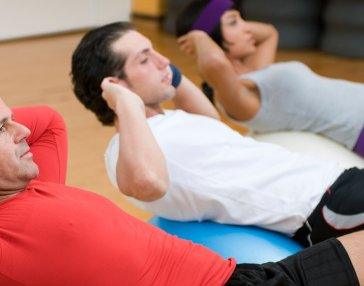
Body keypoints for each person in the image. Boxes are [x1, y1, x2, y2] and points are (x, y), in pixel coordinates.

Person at [0, 74, 364, 286]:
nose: (22, 131)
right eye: (3, 128)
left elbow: (48, 121)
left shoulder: (35, 185)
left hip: (238, 274)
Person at [70, 21, 364, 247]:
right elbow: (147, 183)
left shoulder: (169, 121)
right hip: (324, 206)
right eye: (145, 59)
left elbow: (210, 119)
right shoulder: (126, 149)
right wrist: (125, 103)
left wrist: (160, 71)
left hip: (341, 182)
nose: (163, 62)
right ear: (116, 86)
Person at [175, 0, 364, 156]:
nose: (247, 28)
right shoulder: (237, 97)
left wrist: (232, 21)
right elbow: (215, 65)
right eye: (234, 22)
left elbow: (269, 33)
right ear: (212, 38)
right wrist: (199, 37)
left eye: (242, 19)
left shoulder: (255, 70)